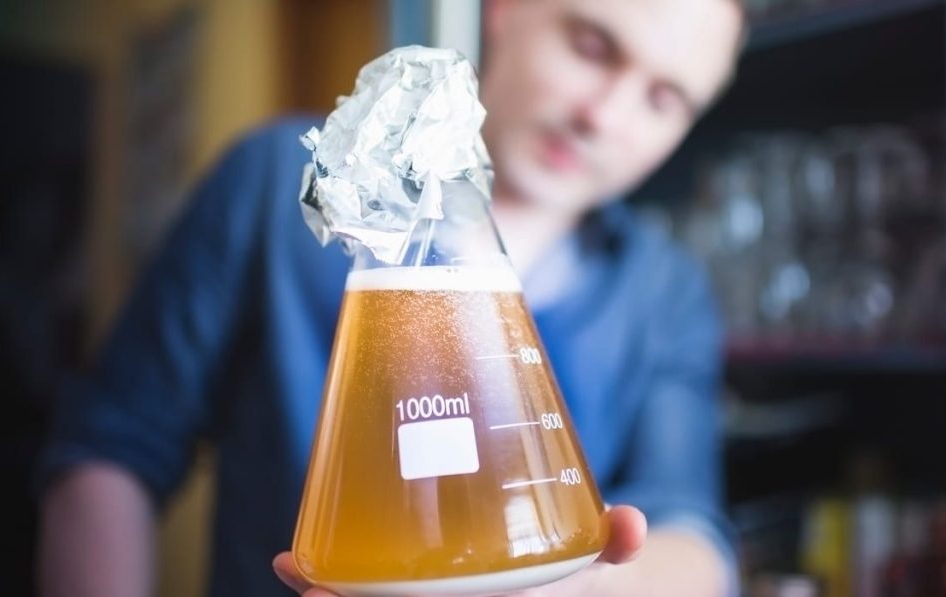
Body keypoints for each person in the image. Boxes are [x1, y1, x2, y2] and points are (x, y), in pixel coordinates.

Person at [38, 0, 745, 595]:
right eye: (591, 46)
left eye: (664, 99)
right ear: (505, 9)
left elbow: (692, 532)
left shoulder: (665, 287)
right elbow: (111, 449)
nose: (605, 115)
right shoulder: (275, 183)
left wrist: (569, 585)